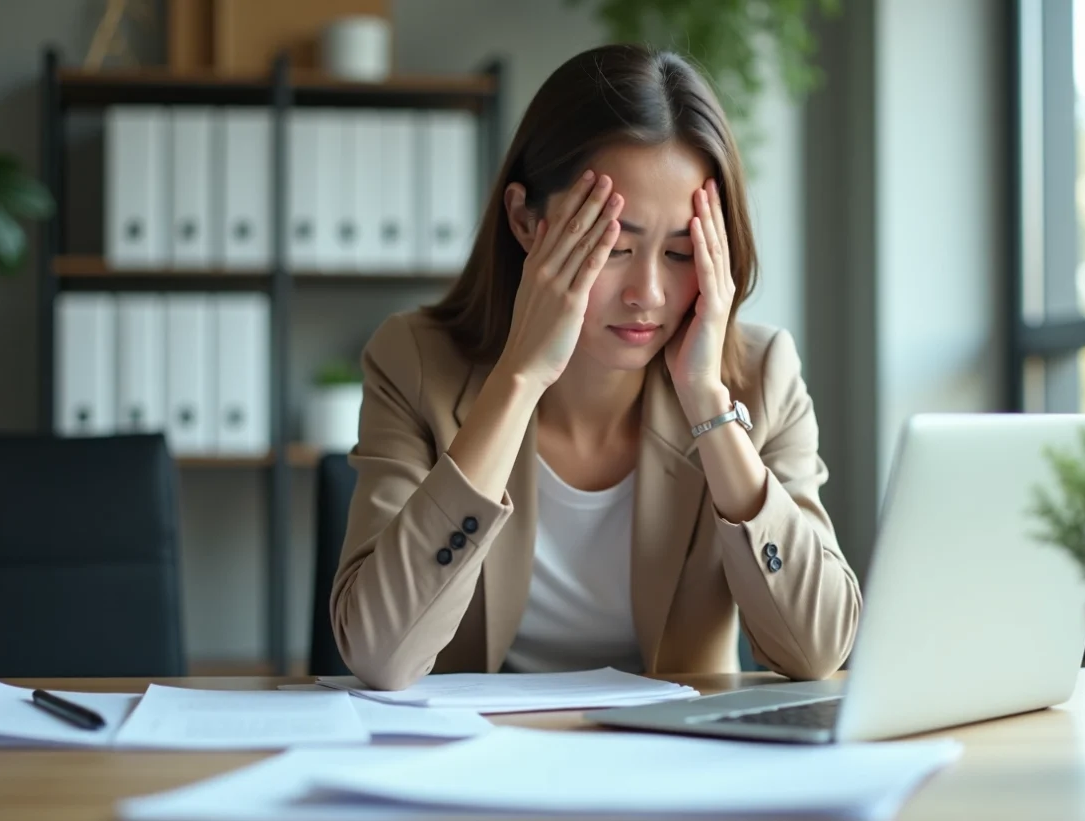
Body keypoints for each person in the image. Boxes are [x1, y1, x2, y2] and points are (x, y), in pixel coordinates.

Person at [330, 43, 862, 691]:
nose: (649, 293)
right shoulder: (413, 361)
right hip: (473, 768)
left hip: (673, 765)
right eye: (615, 245)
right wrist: (518, 380)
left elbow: (818, 650)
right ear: (527, 222)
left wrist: (708, 404)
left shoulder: (761, 374)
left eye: (677, 252)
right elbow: (380, 654)